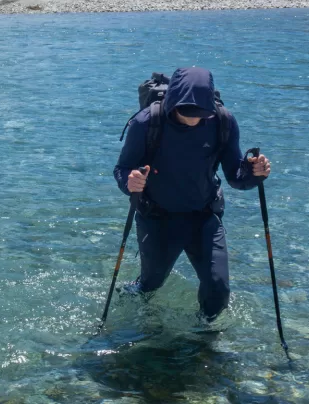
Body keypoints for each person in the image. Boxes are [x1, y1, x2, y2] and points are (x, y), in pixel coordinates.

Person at [113, 67, 271, 319]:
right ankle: (138, 307)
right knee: (151, 284)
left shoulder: (223, 121)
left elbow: (236, 178)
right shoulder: (146, 122)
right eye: (185, 112)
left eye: (200, 114)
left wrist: (255, 174)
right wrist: (129, 182)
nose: (193, 119)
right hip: (157, 218)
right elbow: (122, 169)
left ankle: (203, 341)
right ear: (172, 102)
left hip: (204, 217)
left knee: (218, 289)